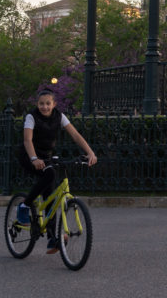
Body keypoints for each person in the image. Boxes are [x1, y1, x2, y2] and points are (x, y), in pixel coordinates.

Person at [16, 89, 97, 254]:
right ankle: (24, 205)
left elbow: (75, 135)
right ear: (37, 104)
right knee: (50, 174)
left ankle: (53, 238)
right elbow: (27, 140)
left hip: (45, 157)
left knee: (51, 193)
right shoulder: (31, 117)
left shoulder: (59, 116)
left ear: (54, 104)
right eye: (41, 104)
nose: (44, 107)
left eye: (48, 104)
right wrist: (33, 159)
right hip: (28, 155)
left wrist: (90, 152)